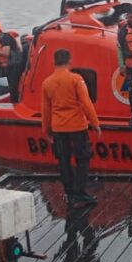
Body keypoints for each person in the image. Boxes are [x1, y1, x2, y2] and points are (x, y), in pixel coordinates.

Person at [42, 49, 102, 208]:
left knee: (64, 161)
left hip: (58, 128)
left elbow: (45, 111)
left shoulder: (47, 82)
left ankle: (70, 194)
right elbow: (86, 103)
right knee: (83, 159)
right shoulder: (76, 79)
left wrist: (47, 131)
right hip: (77, 127)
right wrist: (95, 124)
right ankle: (80, 192)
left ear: (54, 62)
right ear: (70, 61)